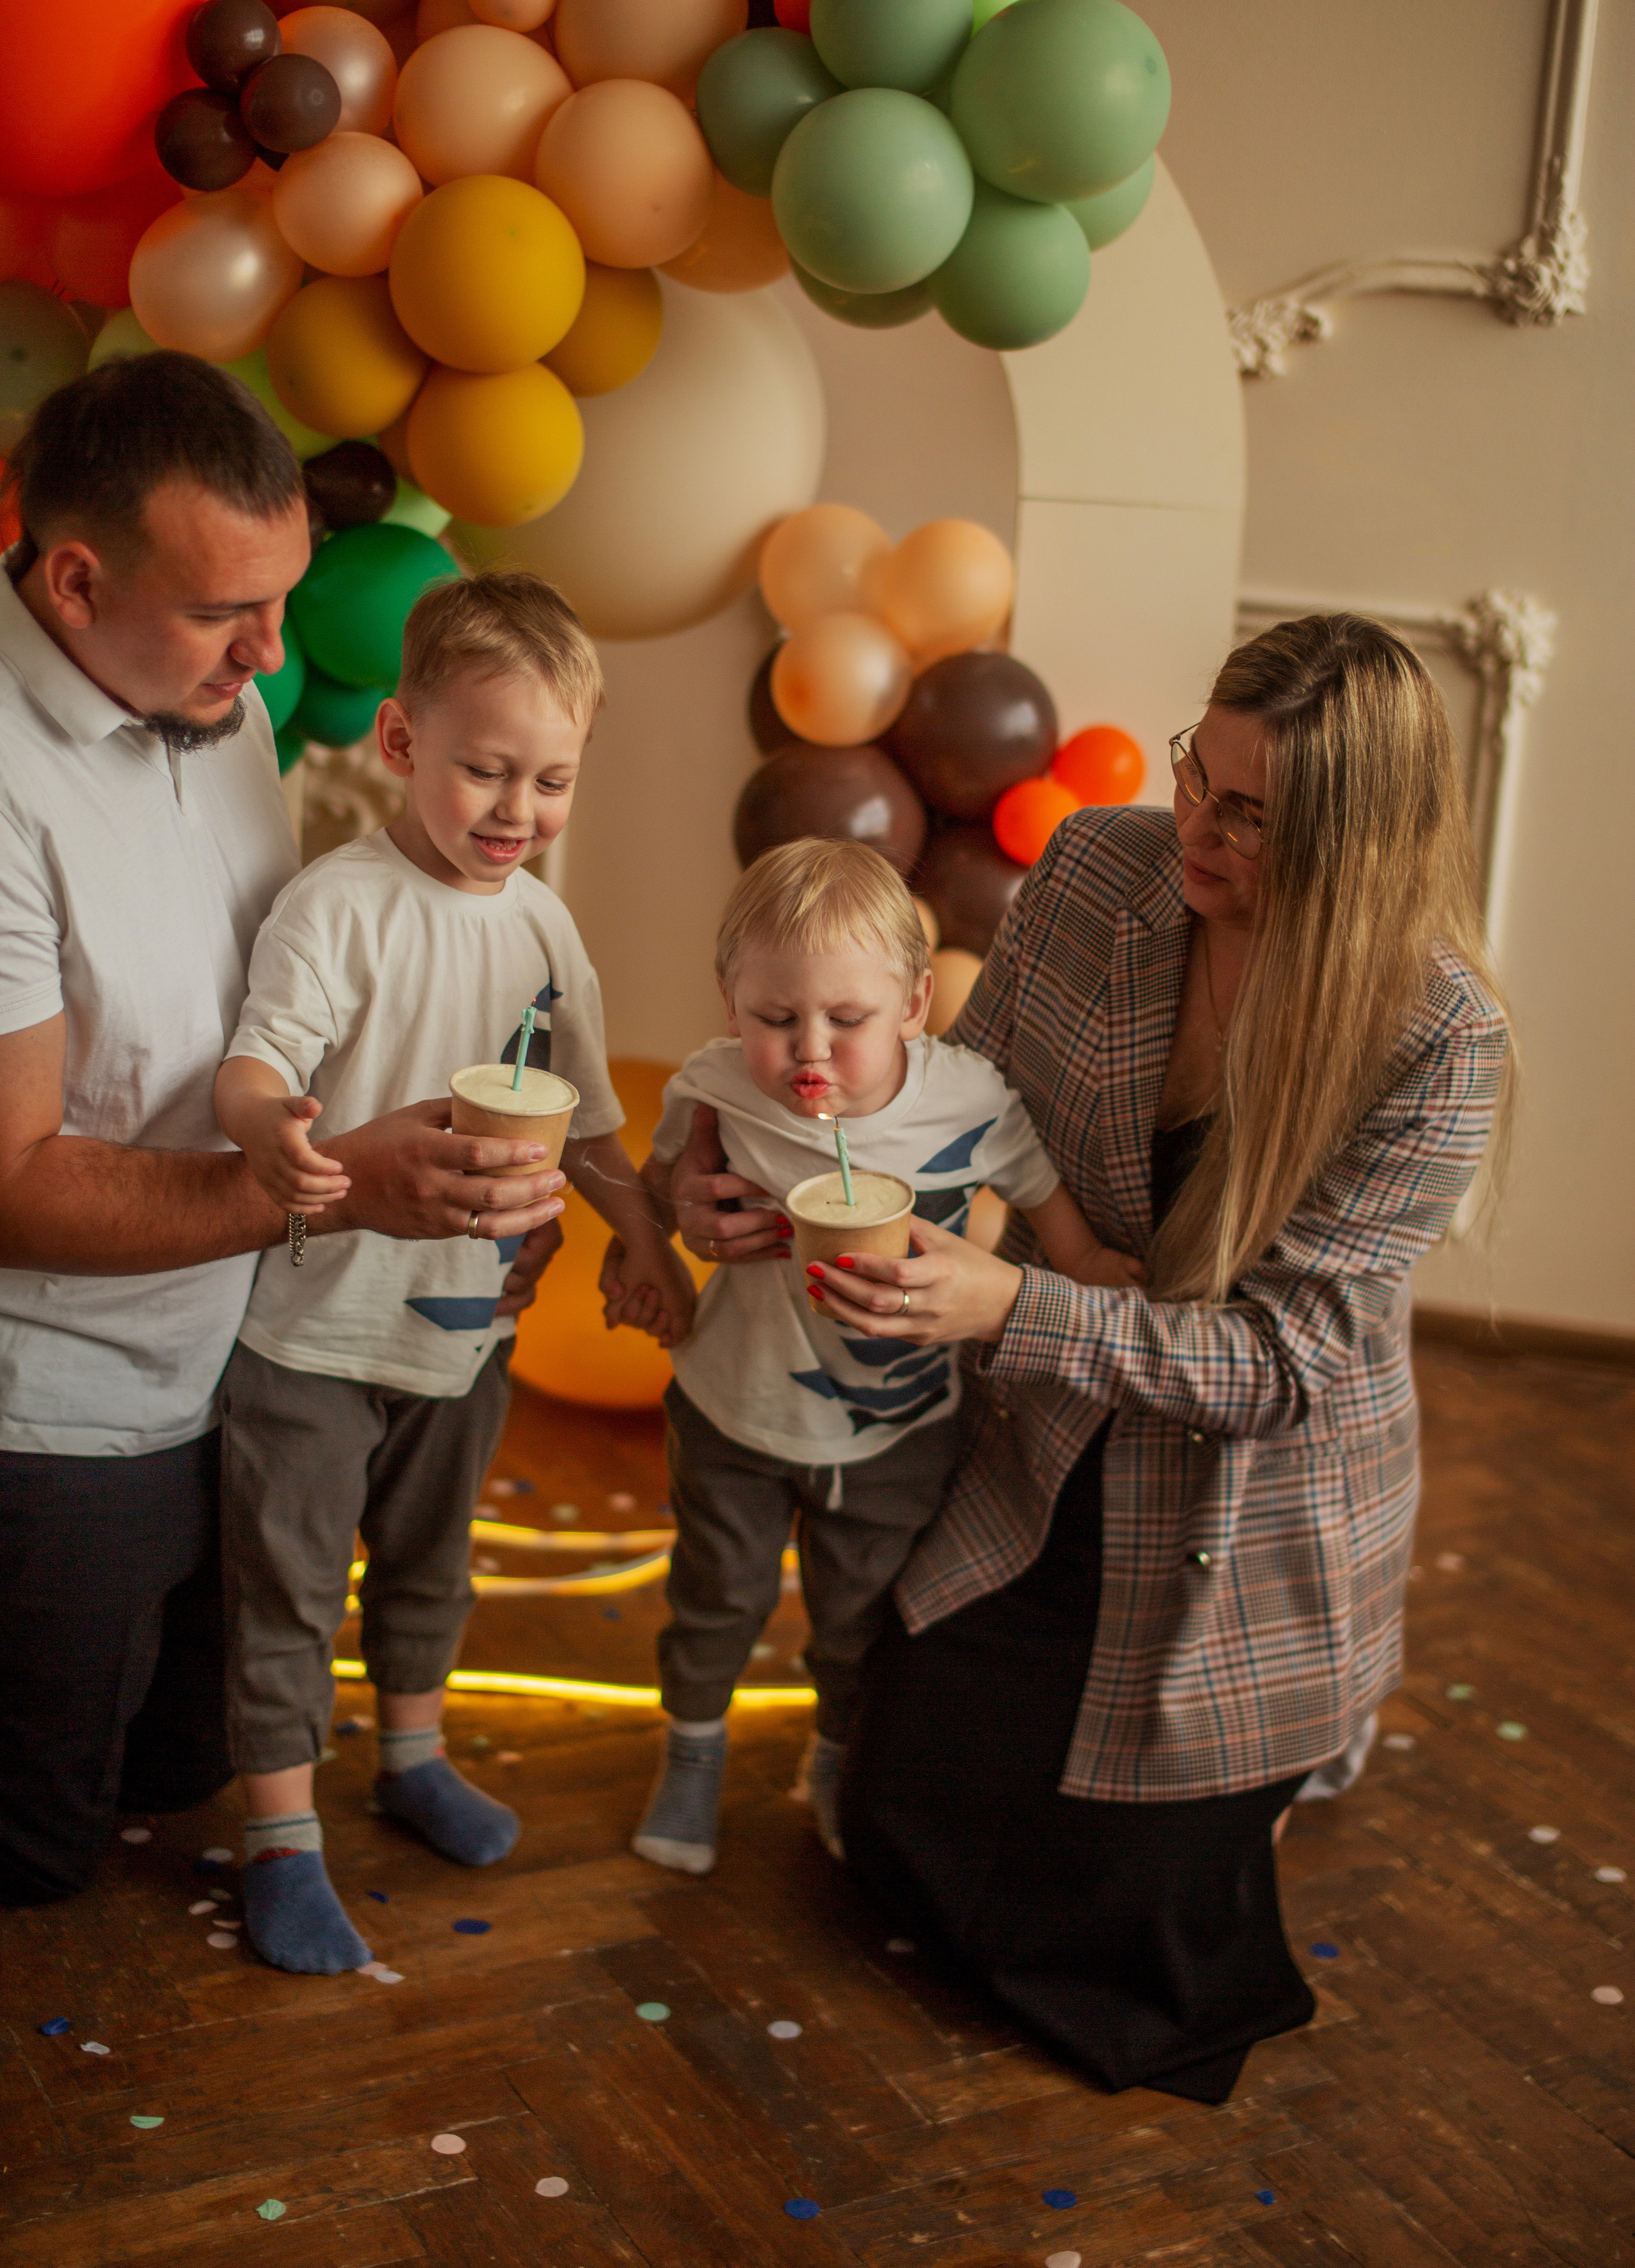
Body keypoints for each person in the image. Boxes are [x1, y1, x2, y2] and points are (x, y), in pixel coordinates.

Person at [665, 616, 1512, 2103]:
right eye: (1200, 772)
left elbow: (1282, 1362)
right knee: (902, 1826)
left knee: (1127, 1940)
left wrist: (1011, 1309)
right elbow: (936, 1108)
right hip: (1043, 1449)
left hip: (1241, 1513)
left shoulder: (1436, 1039)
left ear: (1356, 840)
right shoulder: (1095, 869)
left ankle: (1284, 1761)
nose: (1197, 823)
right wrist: (745, 1188)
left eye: (1253, 814)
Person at [0, 357, 567, 1911]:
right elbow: (15, 1185)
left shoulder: (215, 691)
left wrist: (489, 1176)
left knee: (189, 1769)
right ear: (73, 576)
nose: (270, 654)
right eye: (221, 614)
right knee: (42, 1858)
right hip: (62, 1407)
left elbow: (298, 995)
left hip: (247, 1354)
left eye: (284, 599)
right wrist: (343, 1191)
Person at [213, 571, 696, 1974]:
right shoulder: (337, 904)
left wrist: (649, 1243)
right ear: (404, 745)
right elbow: (260, 1057)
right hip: (309, 1334)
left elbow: (595, 1127)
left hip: (467, 1330)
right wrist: (263, 1127)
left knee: (429, 1566)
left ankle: (411, 1757)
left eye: (551, 781)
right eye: (486, 770)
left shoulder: (544, 929)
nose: (517, 812)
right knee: (289, 1594)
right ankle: (280, 1841)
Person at [605, 838, 1135, 1876]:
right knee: (715, 1598)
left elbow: (1044, 1206)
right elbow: (663, 1190)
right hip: (733, 1405)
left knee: (858, 1618)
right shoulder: (715, 1085)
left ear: (913, 1003)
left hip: (895, 1428)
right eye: (775, 1018)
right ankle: (693, 1754)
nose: (810, 1050)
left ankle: (838, 1761)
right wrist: (669, 1230)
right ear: (729, 1002)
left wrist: (1085, 1267)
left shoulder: (969, 1100)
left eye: (846, 1021)